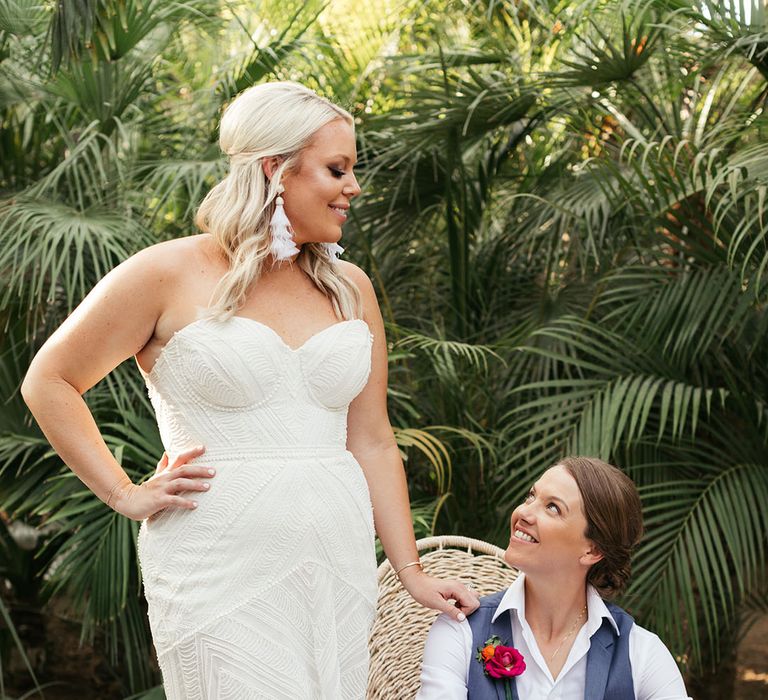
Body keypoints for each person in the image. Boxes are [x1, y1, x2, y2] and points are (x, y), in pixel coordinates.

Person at [21, 81, 478, 699]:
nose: (354, 187)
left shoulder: (351, 288)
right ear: (276, 170)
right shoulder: (165, 272)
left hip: (335, 561)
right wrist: (124, 493)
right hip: (216, 563)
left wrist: (410, 572)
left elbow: (371, 440)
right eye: (336, 169)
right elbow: (49, 381)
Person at [417, 457, 691, 700]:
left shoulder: (641, 653)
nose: (523, 513)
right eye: (531, 496)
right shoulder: (460, 631)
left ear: (592, 549)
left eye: (552, 508)